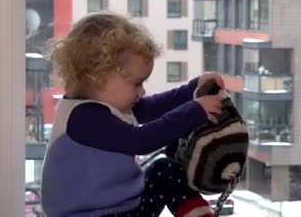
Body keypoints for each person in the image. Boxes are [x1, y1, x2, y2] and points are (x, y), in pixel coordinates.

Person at [41, 12, 223, 217]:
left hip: (122, 208)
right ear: (99, 77)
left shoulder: (109, 106)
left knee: (165, 170)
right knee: (165, 168)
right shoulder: (83, 119)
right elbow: (142, 140)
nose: (142, 91)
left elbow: (151, 108)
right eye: (137, 83)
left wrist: (191, 91)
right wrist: (194, 111)